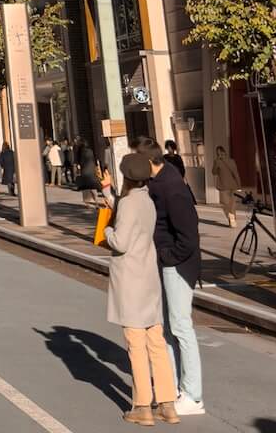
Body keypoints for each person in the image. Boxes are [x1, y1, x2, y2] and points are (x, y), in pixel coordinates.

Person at [101, 151, 181, 426]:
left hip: (131, 280)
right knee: (156, 342)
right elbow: (130, 219)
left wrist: (106, 233)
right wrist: (108, 193)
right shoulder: (147, 200)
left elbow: (120, 240)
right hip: (149, 278)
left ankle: (142, 406)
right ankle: (168, 403)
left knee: (136, 345)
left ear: (127, 176)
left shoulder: (128, 204)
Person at [139, 138, 203, 417]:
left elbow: (188, 236)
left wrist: (166, 257)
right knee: (166, 327)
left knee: (180, 327)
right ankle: (171, 387)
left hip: (178, 266)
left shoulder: (172, 188)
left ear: (148, 162)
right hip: (165, 263)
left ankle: (193, 394)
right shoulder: (155, 184)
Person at [210, 146, 241, 228]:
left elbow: (214, 172)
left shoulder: (218, 161)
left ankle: (231, 219)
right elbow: (236, 174)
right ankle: (233, 220)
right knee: (231, 204)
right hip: (232, 185)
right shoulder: (231, 161)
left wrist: (216, 162)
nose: (219, 154)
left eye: (219, 153)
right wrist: (239, 185)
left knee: (227, 204)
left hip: (225, 186)